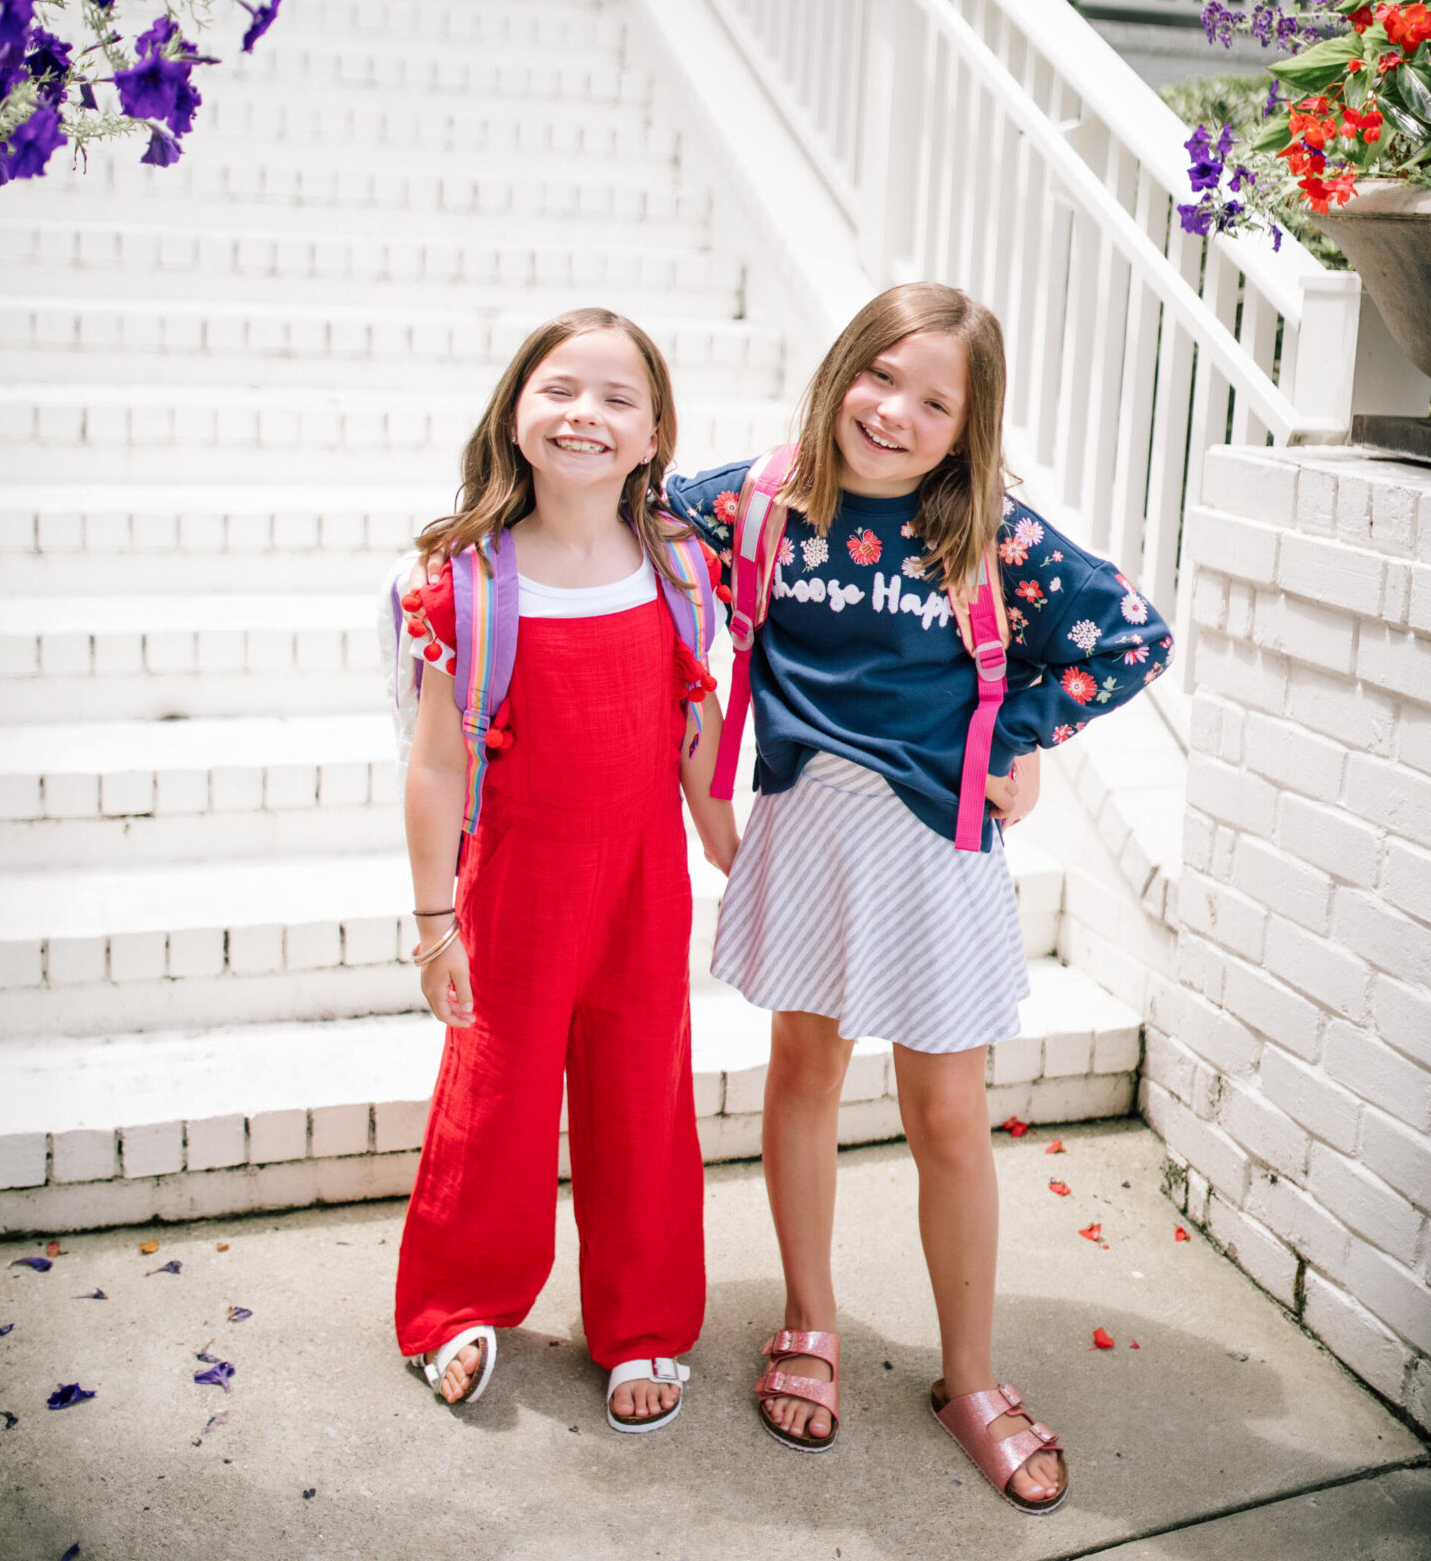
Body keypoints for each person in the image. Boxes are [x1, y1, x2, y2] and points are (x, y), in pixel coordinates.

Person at [665, 282, 1172, 1513]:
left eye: (934, 402)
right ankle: (808, 1320)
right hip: (804, 823)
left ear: (965, 430)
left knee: (946, 1113)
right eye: (879, 375)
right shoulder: (757, 501)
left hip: (937, 848)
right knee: (803, 1073)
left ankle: (971, 1375)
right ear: (841, 368)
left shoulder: (993, 535)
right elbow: (633, 514)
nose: (894, 413)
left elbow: (1132, 639)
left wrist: (1019, 734)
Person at [393, 307, 737, 1434]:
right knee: (494, 1096)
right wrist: (435, 924)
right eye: (559, 389)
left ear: (654, 436)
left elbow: (694, 729)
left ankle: (642, 1320)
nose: (585, 414)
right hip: (517, 880)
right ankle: (455, 1306)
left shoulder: (679, 568)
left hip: (644, 879)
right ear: (515, 415)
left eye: (617, 398)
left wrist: (730, 846)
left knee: (642, 1098)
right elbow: (437, 763)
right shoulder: (465, 581)